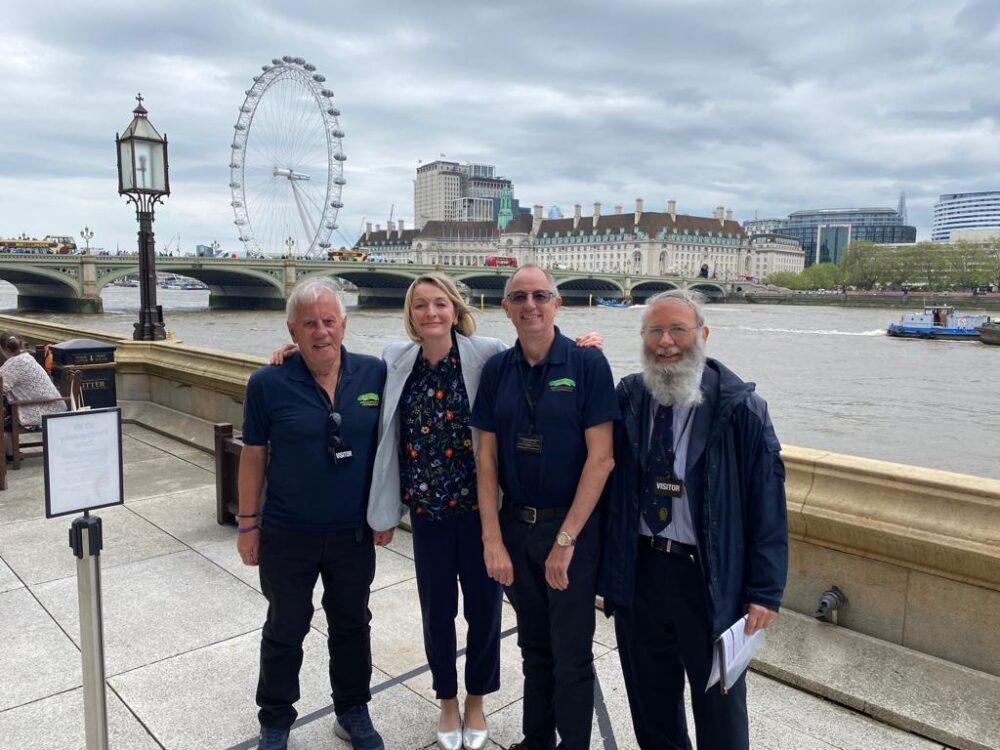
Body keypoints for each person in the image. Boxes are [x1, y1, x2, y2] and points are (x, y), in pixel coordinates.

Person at [272, 273, 602, 750]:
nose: (431, 313)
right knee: (437, 613)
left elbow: (537, 348)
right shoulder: (394, 360)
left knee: (485, 613)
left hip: (480, 512)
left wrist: (584, 346)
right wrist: (290, 356)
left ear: (455, 309)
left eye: (440, 304)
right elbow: (338, 360)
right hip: (426, 515)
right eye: (421, 305)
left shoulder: (484, 353)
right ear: (410, 314)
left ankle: (476, 700)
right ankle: (446, 700)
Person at [598, 289, 788, 750]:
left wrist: (764, 591)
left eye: (677, 329)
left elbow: (767, 504)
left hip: (706, 578)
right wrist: (583, 356)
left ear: (702, 334)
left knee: (719, 708)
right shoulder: (629, 397)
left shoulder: (740, 409)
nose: (666, 342)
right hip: (642, 571)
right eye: (655, 331)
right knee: (651, 704)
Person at [471, 264, 618, 750]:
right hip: (516, 527)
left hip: (571, 531)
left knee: (572, 653)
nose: (530, 305)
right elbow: (486, 461)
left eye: (540, 295)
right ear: (505, 308)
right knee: (534, 648)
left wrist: (566, 541)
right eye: (519, 297)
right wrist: (492, 539)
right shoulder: (496, 371)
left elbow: (602, 459)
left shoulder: (586, 365)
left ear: (558, 304)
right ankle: (537, 742)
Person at [237, 278, 387, 750]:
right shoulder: (267, 382)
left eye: (328, 321)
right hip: (288, 531)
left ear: (344, 324)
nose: (321, 332)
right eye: (309, 324)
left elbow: (442, 352)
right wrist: (247, 524)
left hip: (352, 532)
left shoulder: (376, 374)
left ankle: (352, 710)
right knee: (285, 626)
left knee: (352, 624)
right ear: (292, 331)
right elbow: (254, 456)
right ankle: (276, 721)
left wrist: (576, 346)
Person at [0, 333, 67, 456]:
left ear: (3, 349)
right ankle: (10, 452)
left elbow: (2, 387)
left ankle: (8, 454)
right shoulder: (26, 357)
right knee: (6, 413)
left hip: (40, 411)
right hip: (53, 406)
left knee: (4, 419)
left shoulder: (13, 364)